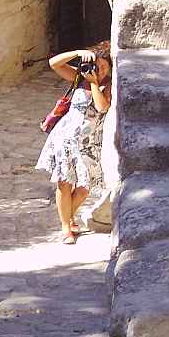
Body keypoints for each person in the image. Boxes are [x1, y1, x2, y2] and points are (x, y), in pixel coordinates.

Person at [35, 41, 112, 245]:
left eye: (104, 67)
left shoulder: (108, 85)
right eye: (97, 66)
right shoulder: (79, 78)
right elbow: (54, 63)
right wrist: (78, 52)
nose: (100, 70)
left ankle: (68, 216)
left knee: (85, 188)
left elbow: (102, 107)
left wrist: (94, 83)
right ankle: (66, 226)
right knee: (64, 183)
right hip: (66, 139)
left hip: (89, 144)